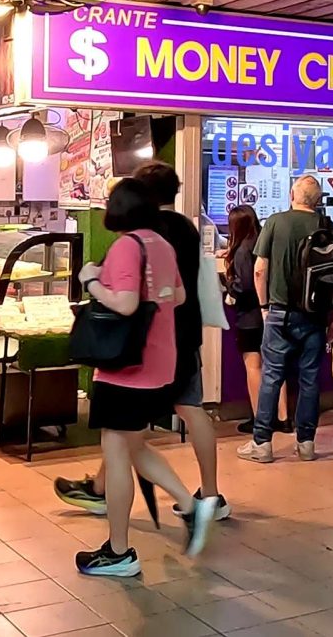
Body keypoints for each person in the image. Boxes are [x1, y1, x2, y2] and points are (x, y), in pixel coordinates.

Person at [54, 161, 229, 522]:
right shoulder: (185, 228)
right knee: (179, 413)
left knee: (125, 428)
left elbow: (122, 295)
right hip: (184, 334)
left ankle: (115, 503)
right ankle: (209, 494)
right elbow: (183, 289)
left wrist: (93, 281)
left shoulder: (141, 236)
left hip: (144, 343)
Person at [237, 175, 333, 463]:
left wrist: (265, 306)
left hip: (280, 312)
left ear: (293, 193)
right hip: (315, 314)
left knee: (271, 376)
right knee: (309, 380)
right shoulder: (326, 225)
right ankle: (306, 443)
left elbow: (260, 269)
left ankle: (262, 444)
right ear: (317, 200)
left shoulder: (276, 222)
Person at [223, 205, 290, 435]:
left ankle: (260, 418)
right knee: (275, 366)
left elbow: (244, 286)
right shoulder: (266, 244)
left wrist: (228, 285)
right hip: (273, 313)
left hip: (251, 317)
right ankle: (283, 417)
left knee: (254, 366)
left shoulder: (242, 251)